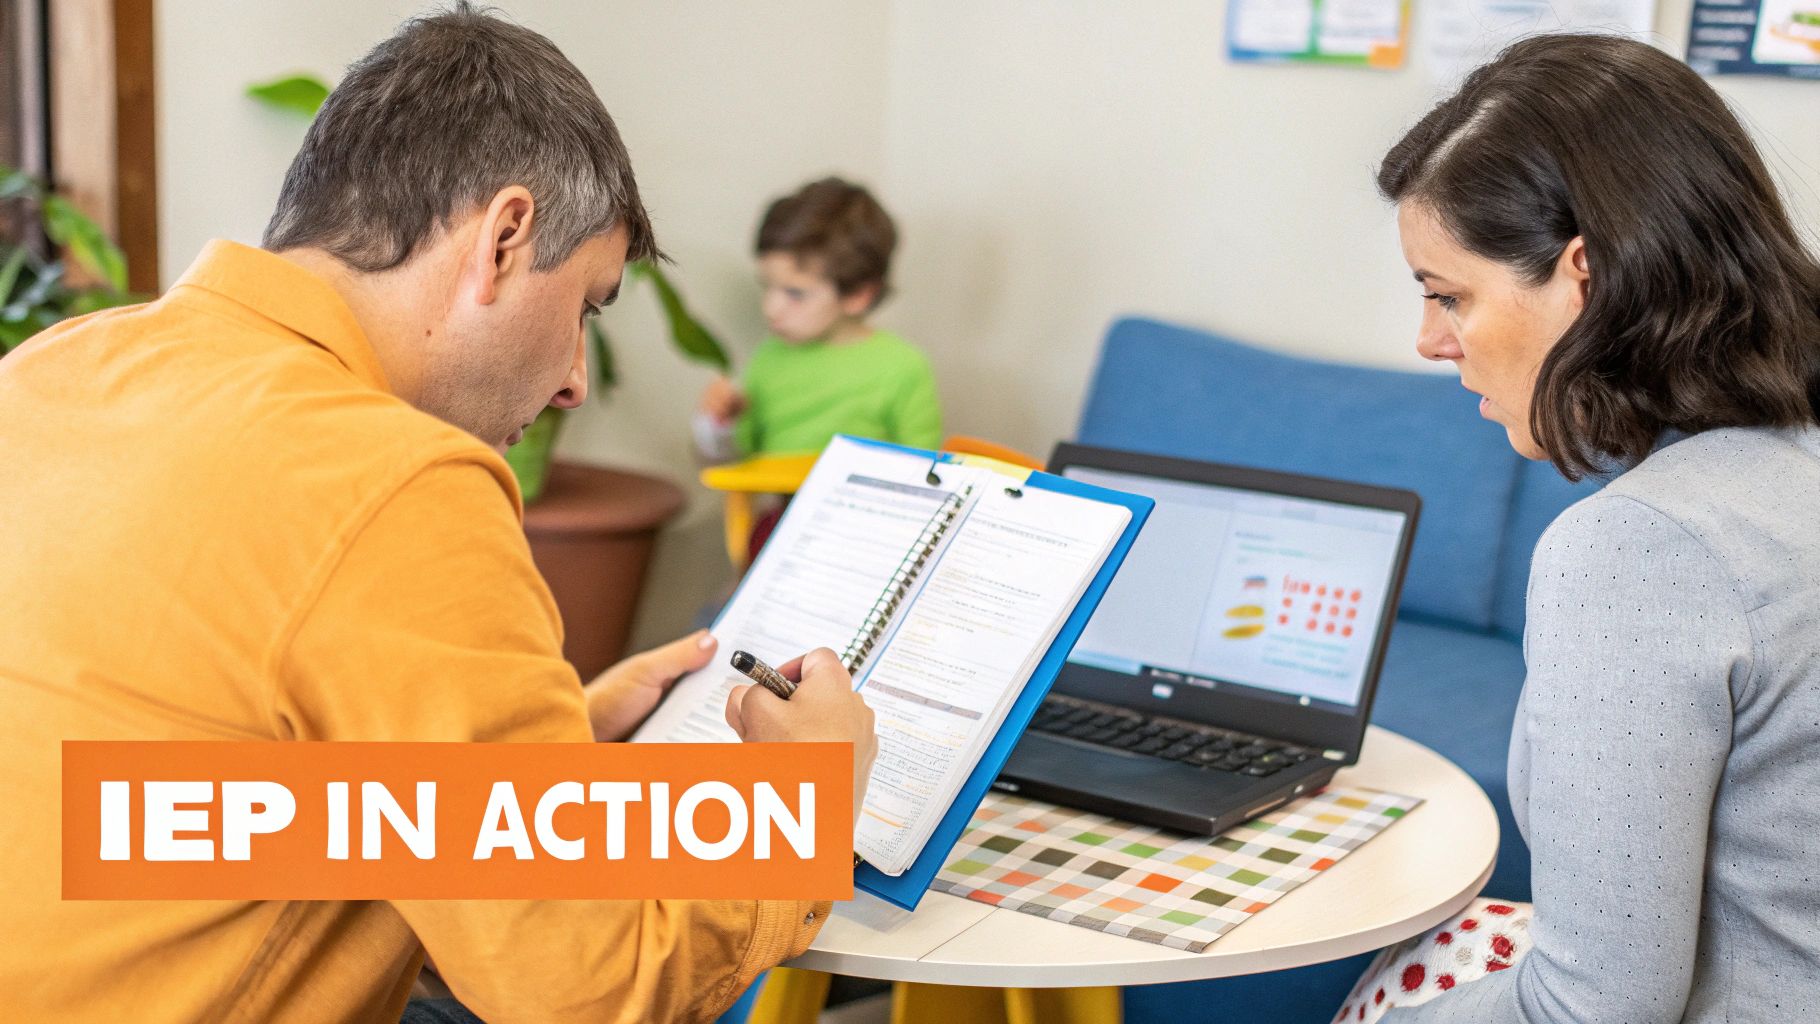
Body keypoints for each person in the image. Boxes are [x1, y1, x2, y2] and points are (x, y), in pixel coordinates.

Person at [0, 6, 876, 1023]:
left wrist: (544, 762)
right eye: (587, 306)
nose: (574, 382)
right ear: (502, 239)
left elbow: (151, 812)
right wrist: (801, 800)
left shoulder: (50, 371)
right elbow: (588, 987)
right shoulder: (396, 479)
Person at [1333, 33, 1820, 1022]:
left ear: (1581, 273)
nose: (1427, 341)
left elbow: (1594, 1007)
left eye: (1447, 295)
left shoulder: (1642, 547)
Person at [692, 177, 943, 464]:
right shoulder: (767, 359)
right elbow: (731, 462)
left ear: (859, 294)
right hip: (781, 508)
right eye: (767, 286)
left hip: (862, 509)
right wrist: (717, 424)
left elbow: (923, 473)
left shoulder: (903, 367)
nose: (771, 308)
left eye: (795, 293)